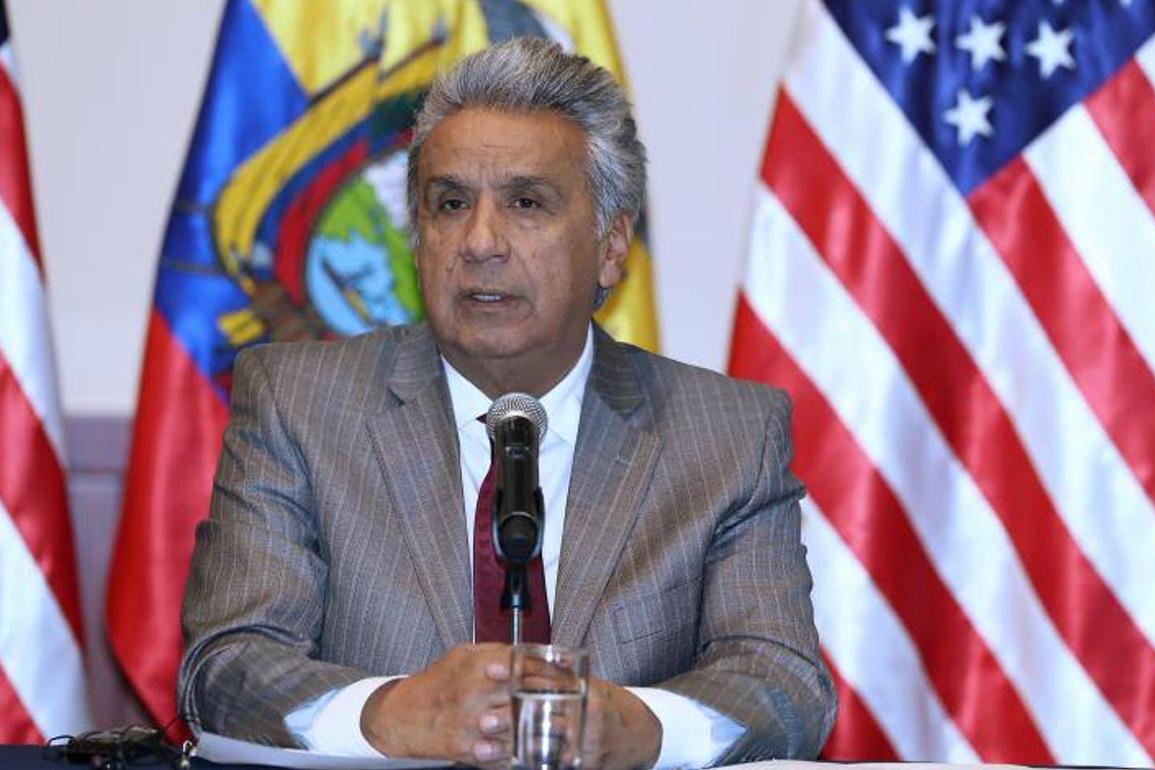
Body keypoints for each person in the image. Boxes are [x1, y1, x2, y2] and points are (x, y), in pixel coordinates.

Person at [178, 37, 834, 770]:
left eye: (526, 203)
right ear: (418, 236)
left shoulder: (727, 435)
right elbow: (226, 666)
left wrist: (642, 730)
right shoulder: (298, 405)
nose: (480, 241)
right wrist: (387, 715)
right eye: (450, 203)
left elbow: (783, 686)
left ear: (612, 246)